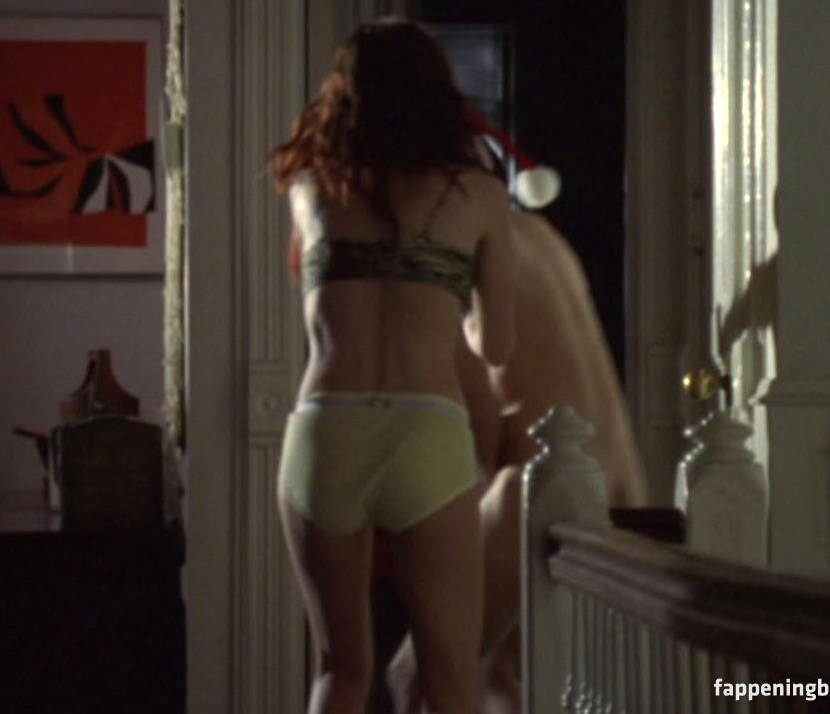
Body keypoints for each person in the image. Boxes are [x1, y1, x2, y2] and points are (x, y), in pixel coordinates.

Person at [270, 19, 515, 714]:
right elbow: (496, 345)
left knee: (339, 671)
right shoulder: (478, 194)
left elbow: (316, 294)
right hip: (426, 427)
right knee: (450, 680)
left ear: (345, 94)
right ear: (438, 93)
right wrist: (448, 301)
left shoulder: (311, 189)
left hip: (327, 428)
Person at [388, 209, 648, 714]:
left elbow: (478, 424)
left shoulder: (442, 240)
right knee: (512, 681)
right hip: (621, 486)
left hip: (536, 488)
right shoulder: (540, 236)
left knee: (411, 676)